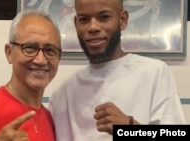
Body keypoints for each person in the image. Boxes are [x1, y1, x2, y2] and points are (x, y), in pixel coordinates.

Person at [49, 0, 186, 140]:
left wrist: (129, 128)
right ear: (76, 24)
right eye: (84, 19)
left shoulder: (154, 73)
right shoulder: (62, 94)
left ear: (123, 20)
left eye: (104, 17)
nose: (93, 27)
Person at [0, 10, 61, 141]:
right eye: (30, 48)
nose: (41, 60)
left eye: (50, 50)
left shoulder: (48, 117)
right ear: (9, 53)